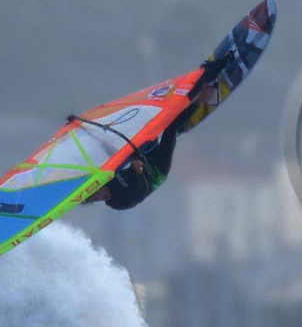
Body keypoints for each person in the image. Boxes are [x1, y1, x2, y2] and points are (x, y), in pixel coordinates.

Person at [86, 53, 229, 211]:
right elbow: (140, 192)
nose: (101, 196)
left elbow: (114, 158)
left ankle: (207, 74)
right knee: (170, 130)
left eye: (97, 193)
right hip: (156, 171)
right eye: (97, 199)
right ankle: (200, 98)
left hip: (142, 157)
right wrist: (138, 171)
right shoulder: (118, 203)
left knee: (163, 121)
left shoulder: (106, 178)